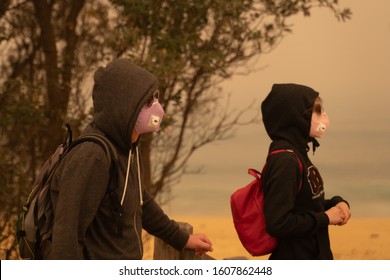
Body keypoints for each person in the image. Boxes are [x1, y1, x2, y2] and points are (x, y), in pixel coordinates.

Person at [48, 58, 213, 259]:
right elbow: (67, 236)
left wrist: (181, 239)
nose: (156, 106)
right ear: (125, 106)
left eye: (155, 97)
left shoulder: (127, 147)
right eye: (147, 101)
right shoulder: (92, 156)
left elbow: (140, 201)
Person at [260, 83, 351, 259]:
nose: (322, 115)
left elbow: (304, 204)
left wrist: (336, 204)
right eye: (316, 110)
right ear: (294, 117)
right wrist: (326, 218)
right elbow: (278, 223)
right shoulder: (285, 160)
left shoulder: (298, 152)